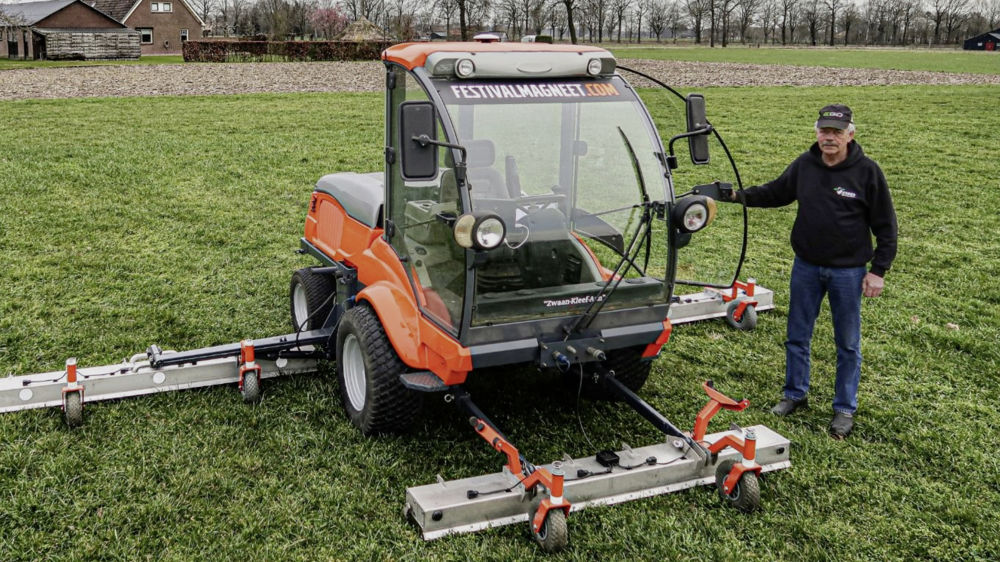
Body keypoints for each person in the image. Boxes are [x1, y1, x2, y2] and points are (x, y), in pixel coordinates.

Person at [730, 104, 897, 439]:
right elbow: (775, 193)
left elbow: (886, 226)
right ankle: (794, 394)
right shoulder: (805, 165)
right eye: (824, 130)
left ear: (851, 134)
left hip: (848, 272)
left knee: (847, 343)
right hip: (806, 266)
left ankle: (844, 409)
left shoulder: (867, 172)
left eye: (837, 131)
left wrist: (878, 270)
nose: (829, 137)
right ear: (817, 132)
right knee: (797, 335)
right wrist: (735, 195)